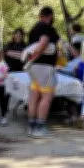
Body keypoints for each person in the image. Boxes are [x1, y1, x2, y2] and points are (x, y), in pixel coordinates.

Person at [26, 7, 60, 138]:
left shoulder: (34, 28)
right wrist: (35, 55)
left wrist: (31, 59)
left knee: (34, 96)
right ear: (50, 16)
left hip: (33, 68)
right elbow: (44, 43)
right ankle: (40, 128)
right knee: (46, 97)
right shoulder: (45, 27)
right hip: (45, 67)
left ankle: (31, 126)